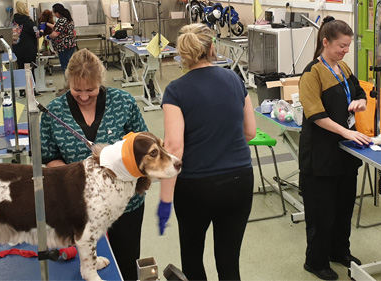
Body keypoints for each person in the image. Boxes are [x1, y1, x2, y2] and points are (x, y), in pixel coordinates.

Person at [39, 49, 147, 281]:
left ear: (101, 81)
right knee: (83, 266)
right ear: (68, 82)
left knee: (126, 265)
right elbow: (47, 158)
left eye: (91, 90)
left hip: (125, 207)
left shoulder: (124, 103)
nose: (84, 96)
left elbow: (143, 151)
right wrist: (82, 178)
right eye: (77, 90)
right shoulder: (54, 112)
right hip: (79, 209)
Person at [158, 23, 256, 281]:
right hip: (239, 182)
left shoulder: (175, 91)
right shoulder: (235, 79)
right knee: (228, 261)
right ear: (212, 47)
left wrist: (165, 200)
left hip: (196, 187)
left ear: (182, 54)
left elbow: (174, 147)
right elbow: (250, 132)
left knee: (192, 258)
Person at [298, 16, 370, 281]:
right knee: (321, 212)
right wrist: (345, 132)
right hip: (320, 154)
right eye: (341, 45)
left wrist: (360, 103)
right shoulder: (311, 73)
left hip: (345, 153)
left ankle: (340, 250)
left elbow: (360, 91)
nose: (345, 50)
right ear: (325, 42)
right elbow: (315, 115)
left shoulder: (344, 68)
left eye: (348, 46)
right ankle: (315, 261)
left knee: (344, 207)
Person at [48, 3, 78, 95]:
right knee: (69, 67)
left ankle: (68, 89)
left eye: (54, 12)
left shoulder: (62, 20)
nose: (53, 14)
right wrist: (47, 24)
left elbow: (56, 33)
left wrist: (47, 37)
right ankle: (68, 87)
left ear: (58, 13)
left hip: (63, 47)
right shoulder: (68, 19)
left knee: (65, 68)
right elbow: (59, 28)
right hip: (70, 45)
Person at [12, 1, 39, 94]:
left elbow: (15, 35)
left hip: (17, 49)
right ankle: (32, 91)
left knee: (20, 70)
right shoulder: (28, 21)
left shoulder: (14, 20)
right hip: (28, 50)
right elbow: (37, 33)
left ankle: (22, 91)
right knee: (29, 71)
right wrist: (42, 30)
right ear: (25, 9)